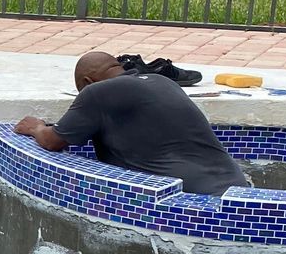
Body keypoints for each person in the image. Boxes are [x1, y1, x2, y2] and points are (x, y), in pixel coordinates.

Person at [14, 50, 249, 196]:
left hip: (191, 198)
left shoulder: (96, 92)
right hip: (238, 188)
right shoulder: (163, 81)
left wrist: (37, 127)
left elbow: (53, 141)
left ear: (87, 82)